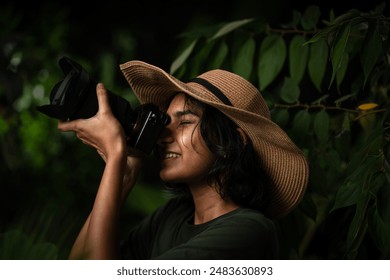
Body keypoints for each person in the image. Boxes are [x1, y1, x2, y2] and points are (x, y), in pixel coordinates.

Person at [58, 60, 309, 260]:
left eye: (186, 122)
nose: (163, 136)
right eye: (165, 123)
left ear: (231, 143)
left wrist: (114, 155)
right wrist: (122, 178)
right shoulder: (173, 216)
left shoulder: (249, 231)